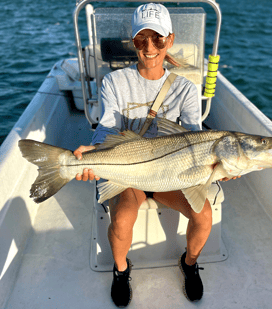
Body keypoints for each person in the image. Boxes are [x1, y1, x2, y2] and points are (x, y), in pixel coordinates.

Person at [74, 3, 239, 307]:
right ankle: (121, 271)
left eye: (158, 39)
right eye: (141, 40)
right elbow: (105, 127)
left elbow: (195, 138)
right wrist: (92, 153)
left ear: (170, 40)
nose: (149, 47)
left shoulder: (187, 89)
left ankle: (188, 264)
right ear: (133, 42)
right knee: (122, 218)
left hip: (172, 173)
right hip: (130, 172)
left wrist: (219, 167)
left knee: (204, 216)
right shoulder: (113, 82)